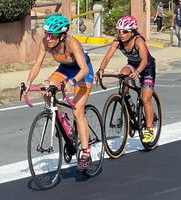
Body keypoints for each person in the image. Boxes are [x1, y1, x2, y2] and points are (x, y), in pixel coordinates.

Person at [25, 15, 94, 170]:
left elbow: (83, 69)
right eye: (47, 33)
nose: (48, 38)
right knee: (46, 89)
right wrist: (28, 82)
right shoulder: (45, 42)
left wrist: (72, 82)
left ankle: (86, 152)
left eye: (53, 35)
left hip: (82, 73)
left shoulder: (72, 43)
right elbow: (37, 64)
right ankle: (63, 120)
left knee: (77, 110)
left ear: (62, 36)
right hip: (64, 70)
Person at [96, 16, 156, 143]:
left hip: (147, 68)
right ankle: (126, 99)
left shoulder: (138, 41)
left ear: (132, 31)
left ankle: (149, 129)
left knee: (145, 99)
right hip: (132, 65)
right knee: (123, 73)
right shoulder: (117, 42)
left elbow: (144, 60)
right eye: (119, 31)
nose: (121, 34)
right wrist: (101, 70)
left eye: (125, 32)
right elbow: (107, 57)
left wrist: (138, 72)